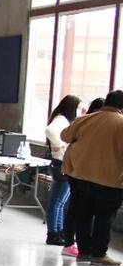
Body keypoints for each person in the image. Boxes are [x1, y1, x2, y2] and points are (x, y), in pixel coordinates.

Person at [61, 89, 123, 266]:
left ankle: (84, 252)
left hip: (82, 176)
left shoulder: (86, 119)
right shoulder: (121, 123)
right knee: (104, 218)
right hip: (110, 180)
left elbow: (65, 136)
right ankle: (99, 254)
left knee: (84, 215)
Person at [44, 95, 82, 252]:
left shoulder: (63, 119)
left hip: (61, 162)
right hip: (61, 163)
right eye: (78, 107)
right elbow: (50, 130)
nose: (79, 111)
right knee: (58, 201)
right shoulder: (61, 120)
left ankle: (58, 231)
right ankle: (53, 233)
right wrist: (61, 145)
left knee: (60, 201)